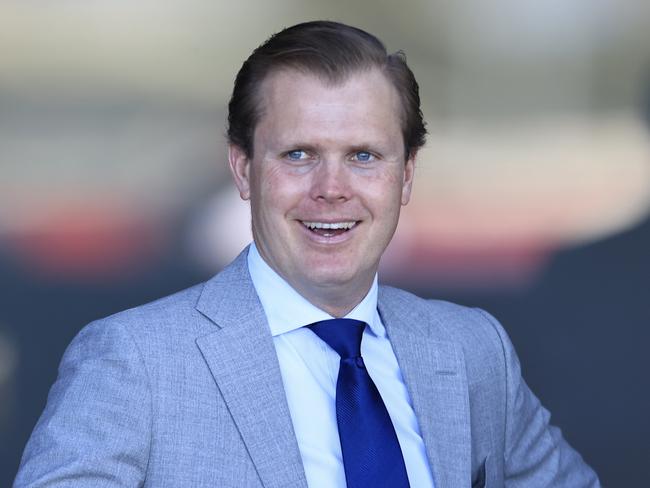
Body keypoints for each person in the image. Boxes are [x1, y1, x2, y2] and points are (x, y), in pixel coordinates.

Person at [14, 21, 599, 487]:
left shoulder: (474, 351)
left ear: (406, 176)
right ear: (244, 170)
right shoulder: (133, 361)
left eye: (364, 156)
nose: (332, 186)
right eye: (298, 154)